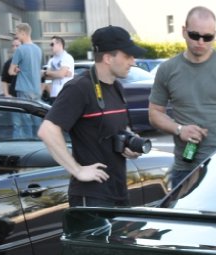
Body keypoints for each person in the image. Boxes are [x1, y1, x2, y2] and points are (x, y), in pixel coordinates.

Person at [37, 26, 147, 208]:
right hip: (91, 198)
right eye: (128, 56)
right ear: (108, 58)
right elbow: (47, 131)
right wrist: (77, 170)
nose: (133, 61)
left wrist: (130, 145)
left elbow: (121, 130)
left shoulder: (117, 88)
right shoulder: (79, 88)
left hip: (119, 191)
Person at [148, 6, 216, 188]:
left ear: (215, 35)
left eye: (208, 37)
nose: (201, 42)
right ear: (184, 31)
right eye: (195, 35)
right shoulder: (168, 69)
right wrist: (179, 129)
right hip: (185, 168)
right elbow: (154, 113)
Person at [44, 36, 75, 103]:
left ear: (60, 44)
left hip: (66, 93)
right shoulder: (51, 60)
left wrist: (50, 73)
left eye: (52, 44)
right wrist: (58, 73)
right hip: (53, 94)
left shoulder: (67, 57)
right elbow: (47, 76)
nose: (51, 47)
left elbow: (61, 74)